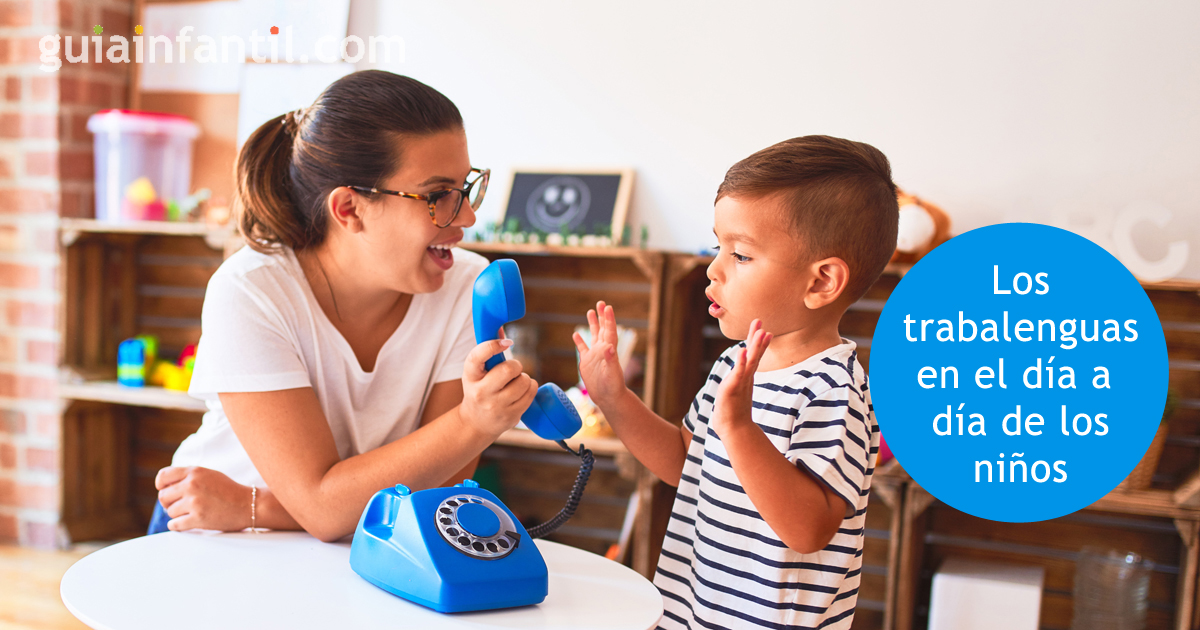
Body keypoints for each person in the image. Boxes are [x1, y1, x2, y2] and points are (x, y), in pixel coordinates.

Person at [148, 70, 538, 542]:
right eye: (438, 196)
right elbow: (323, 510)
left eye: (465, 187)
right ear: (349, 209)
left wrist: (263, 507)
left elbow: (438, 498)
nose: (468, 217)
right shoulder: (251, 291)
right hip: (214, 532)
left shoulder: (466, 285)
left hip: (313, 530)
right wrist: (472, 422)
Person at [573, 136, 899, 629]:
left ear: (821, 283)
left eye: (741, 255)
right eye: (716, 247)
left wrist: (740, 429)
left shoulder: (835, 391)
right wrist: (614, 398)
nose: (713, 268)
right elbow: (685, 463)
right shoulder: (735, 364)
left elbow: (809, 528)